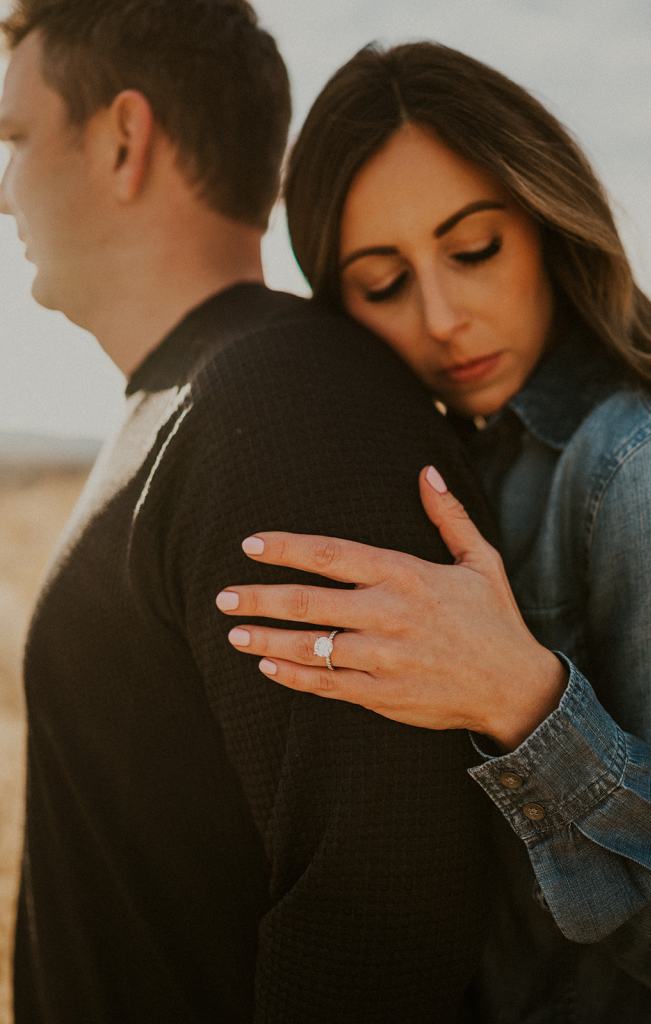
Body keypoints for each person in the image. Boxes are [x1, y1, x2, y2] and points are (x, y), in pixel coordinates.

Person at [0, 9, 496, 1022]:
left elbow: (382, 895)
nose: (5, 187)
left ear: (123, 138)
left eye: (15, 138)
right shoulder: (205, 396)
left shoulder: (278, 405)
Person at [216, 42, 651, 1020]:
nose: (443, 315)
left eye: (474, 250)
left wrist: (521, 701)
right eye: (382, 281)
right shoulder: (476, 465)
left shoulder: (643, 469)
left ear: (551, 222)